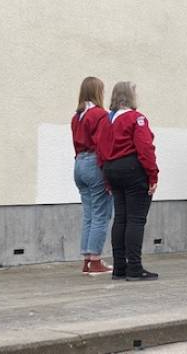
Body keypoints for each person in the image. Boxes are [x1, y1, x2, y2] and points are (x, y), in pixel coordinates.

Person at [99, 81, 159, 281]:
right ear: (130, 97)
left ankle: (119, 267)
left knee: (121, 218)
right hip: (133, 169)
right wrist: (153, 175)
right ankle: (134, 267)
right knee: (136, 219)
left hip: (111, 169)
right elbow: (145, 148)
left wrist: (106, 178)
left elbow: (100, 150)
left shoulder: (106, 121)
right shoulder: (136, 118)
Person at [71, 76, 113, 275]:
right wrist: (108, 172)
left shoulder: (77, 116)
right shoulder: (99, 114)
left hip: (79, 162)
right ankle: (95, 260)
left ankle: (87, 260)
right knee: (101, 214)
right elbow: (103, 144)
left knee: (88, 214)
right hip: (93, 162)